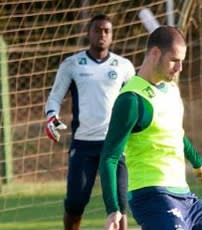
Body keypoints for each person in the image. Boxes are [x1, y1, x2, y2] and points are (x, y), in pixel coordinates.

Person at [99, 26, 202, 230]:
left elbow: (176, 134)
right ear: (155, 53)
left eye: (182, 61)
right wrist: (113, 208)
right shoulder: (131, 100)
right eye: (175, 60)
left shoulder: (171, 90)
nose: (180, 68)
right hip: (152, 195)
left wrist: (198, 162)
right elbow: (109, 157)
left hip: (185, 196)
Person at [44, 14, 135, 230]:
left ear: (112, 35)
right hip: (83, 144)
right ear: (89, 33)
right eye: (97, 30)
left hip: (114, 145)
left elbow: (135, 100)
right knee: (75, 204)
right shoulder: (72, 64)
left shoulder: (124, 66)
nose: (102, 34)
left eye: (107, 31)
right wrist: (51, 116)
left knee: (120, 207)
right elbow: (56, 96)